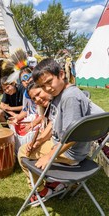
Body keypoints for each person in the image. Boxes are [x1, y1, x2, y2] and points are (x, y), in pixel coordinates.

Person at [18, 58, 104, 205]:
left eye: (49, 82)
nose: (48, 88)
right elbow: (53, 123)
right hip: (66, 147)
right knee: (29, 148)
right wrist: (40, 141)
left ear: (62, 74)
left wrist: (49, 156)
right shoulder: (60, 94)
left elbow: (73, 136)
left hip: (71, 153)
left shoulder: (70, 97)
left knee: (22, 153)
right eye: (43, 86)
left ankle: (42, 191)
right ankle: (57, 184)